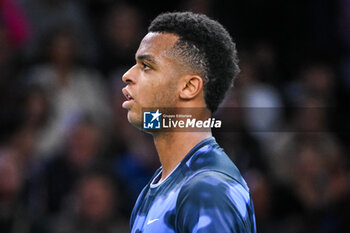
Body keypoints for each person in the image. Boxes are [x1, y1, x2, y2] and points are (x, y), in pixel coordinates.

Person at [121, 12, 256, 233]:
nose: (127, 75)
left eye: (146, 65)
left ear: (189, 87)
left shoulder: (208, 190)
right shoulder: (156, 186)